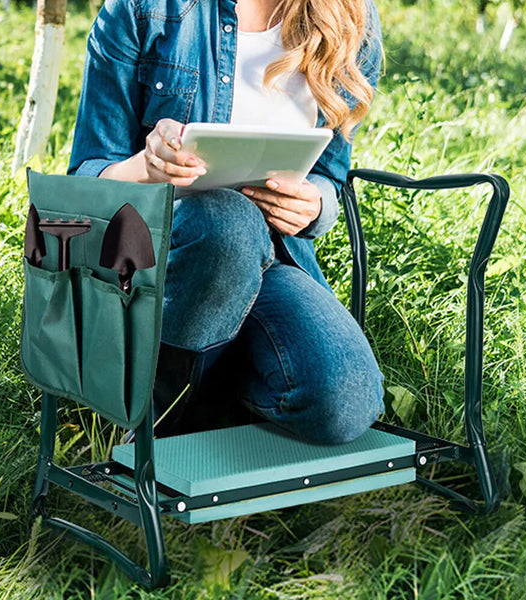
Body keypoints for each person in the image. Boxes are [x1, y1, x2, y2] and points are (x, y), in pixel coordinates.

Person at [67, 0, 386, 445]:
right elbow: (86, 177)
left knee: (344, 403)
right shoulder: (144, 9)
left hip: (270, 259)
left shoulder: (350, 15)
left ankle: (206, 386)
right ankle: (149, 417)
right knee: (225, 221)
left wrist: (314, 205)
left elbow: (329, 174)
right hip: (157, 257)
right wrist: (146, 165)